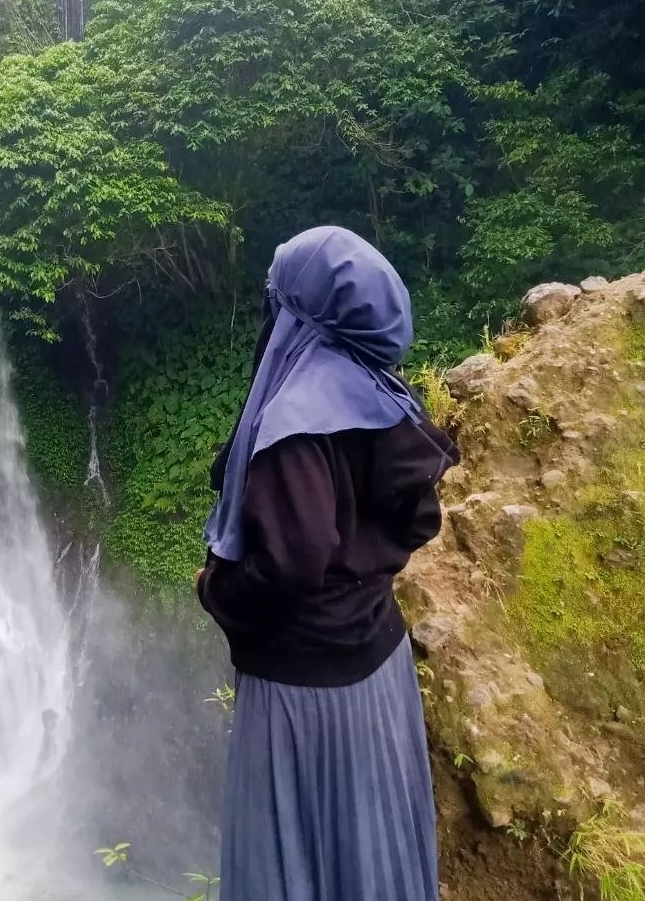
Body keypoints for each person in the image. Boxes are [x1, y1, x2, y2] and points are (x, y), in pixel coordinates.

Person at [196, 226, 458, 901]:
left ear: (299, 313)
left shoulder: (293, 420)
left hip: (304, 692)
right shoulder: (382, 396)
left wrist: (217, 587)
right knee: (370, 850)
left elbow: (292, 562)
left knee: (298, 853)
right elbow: (417, 517)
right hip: (378, 663)